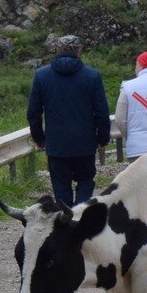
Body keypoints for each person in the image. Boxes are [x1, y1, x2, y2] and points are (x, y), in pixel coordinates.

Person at [27, 34, 111, 207]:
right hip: (85, 144)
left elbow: (33, 113)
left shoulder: (42, 76)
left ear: (57, 50)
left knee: (61, 187)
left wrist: (40, 139)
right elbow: (102, 112)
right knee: (86, 181)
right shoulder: (92, 76)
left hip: (57, 145)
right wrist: (102, 138)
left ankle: (66, 224)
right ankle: (80, 219)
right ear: (79, 51)